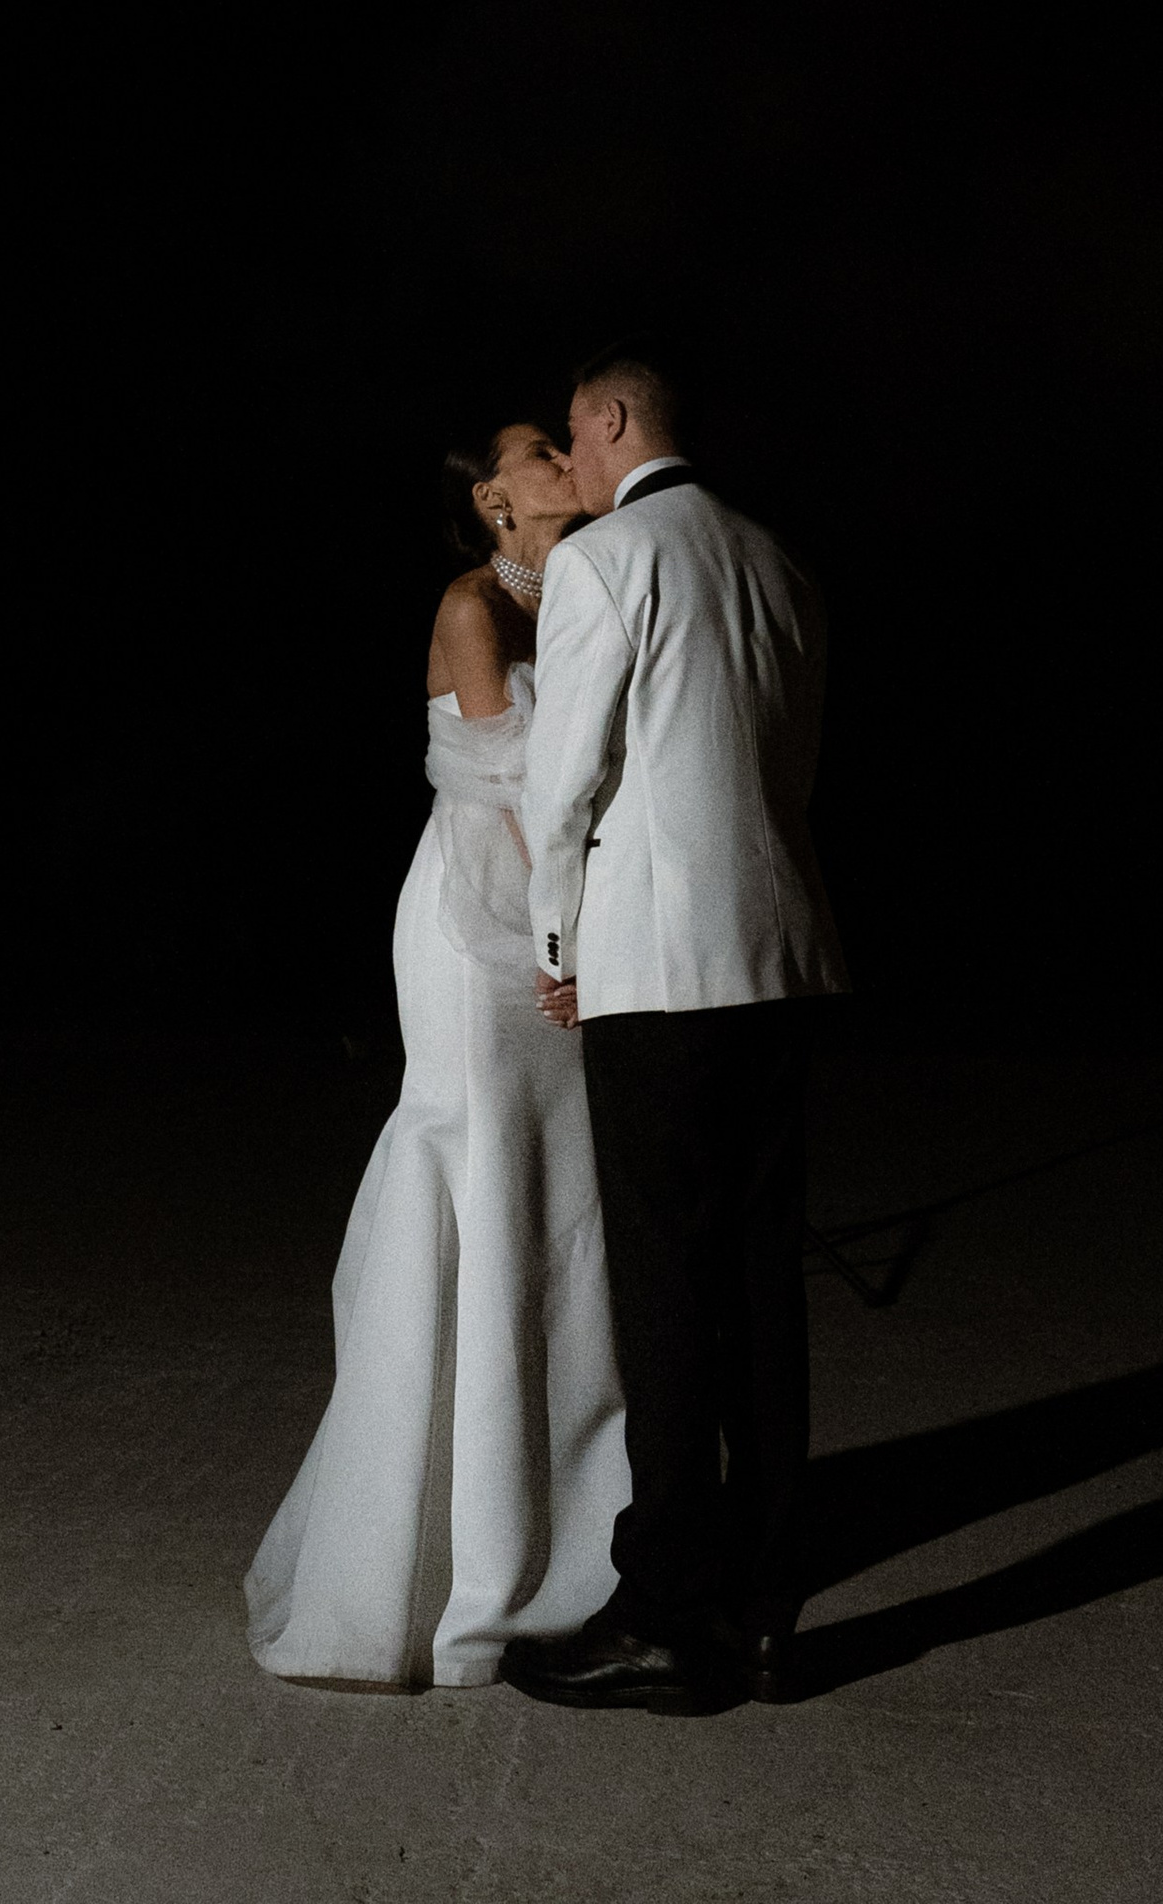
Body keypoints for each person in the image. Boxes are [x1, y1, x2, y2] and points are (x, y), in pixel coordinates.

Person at [244, 419, 630, 1688]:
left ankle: (566, 1535)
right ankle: (450, 1572)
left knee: (551, 1212)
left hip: (549, 923)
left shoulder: (579, 586)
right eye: (536, 450)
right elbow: (520, 794)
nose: (564, 459)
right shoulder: (472, 609)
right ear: (489, 498)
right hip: (479, 936)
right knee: (473, 1185)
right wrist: (567, 946)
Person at [504, 347, 848, 1716]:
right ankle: (770, 1608)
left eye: (576, 442)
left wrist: (555, 944)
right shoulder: (779, 561)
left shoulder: (607, 561)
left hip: (656, 967)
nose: (570, 474)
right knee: (764, 1289)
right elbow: (794, 766)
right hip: (783, 956)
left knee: (666, 1294)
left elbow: (567, 769)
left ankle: (664, 1610)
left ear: (614, 420)